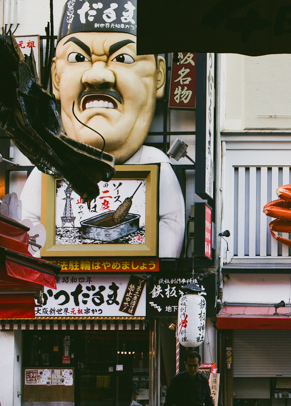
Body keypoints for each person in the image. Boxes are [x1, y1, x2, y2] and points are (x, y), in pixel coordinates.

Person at [19, 0, 184, 257]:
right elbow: (29, 226)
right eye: (78, 58)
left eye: (123, 58)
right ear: (56, 78)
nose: (97, 76)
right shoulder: (49, 165)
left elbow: (170, 226)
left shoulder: (154, 163)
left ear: (159, 77)